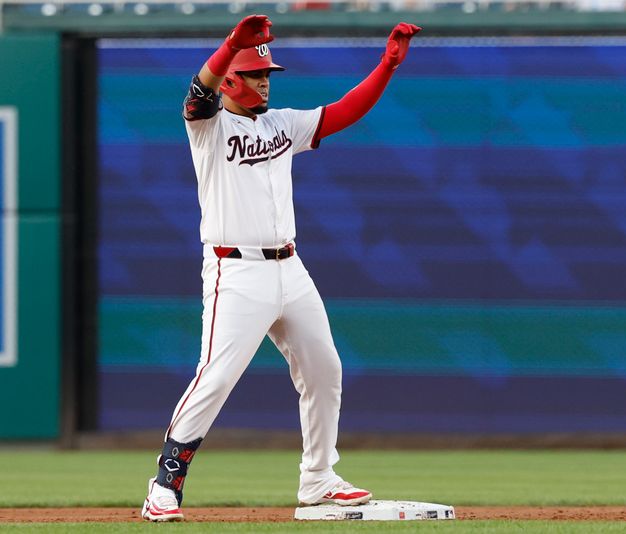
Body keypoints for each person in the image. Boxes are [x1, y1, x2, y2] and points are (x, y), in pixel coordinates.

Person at [140, 15, 421, 522]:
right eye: (256, 74)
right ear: (231, 80)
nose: (266, 80)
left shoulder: (281, 123)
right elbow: (196, 96)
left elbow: (342, 113)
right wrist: (229, 46)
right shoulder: (207, 127)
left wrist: (386, 67)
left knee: (324, 368)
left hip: (290, 268)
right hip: (235, 271)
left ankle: (317, 479)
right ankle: (165, 483)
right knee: (217, 375)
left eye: (268, 74)